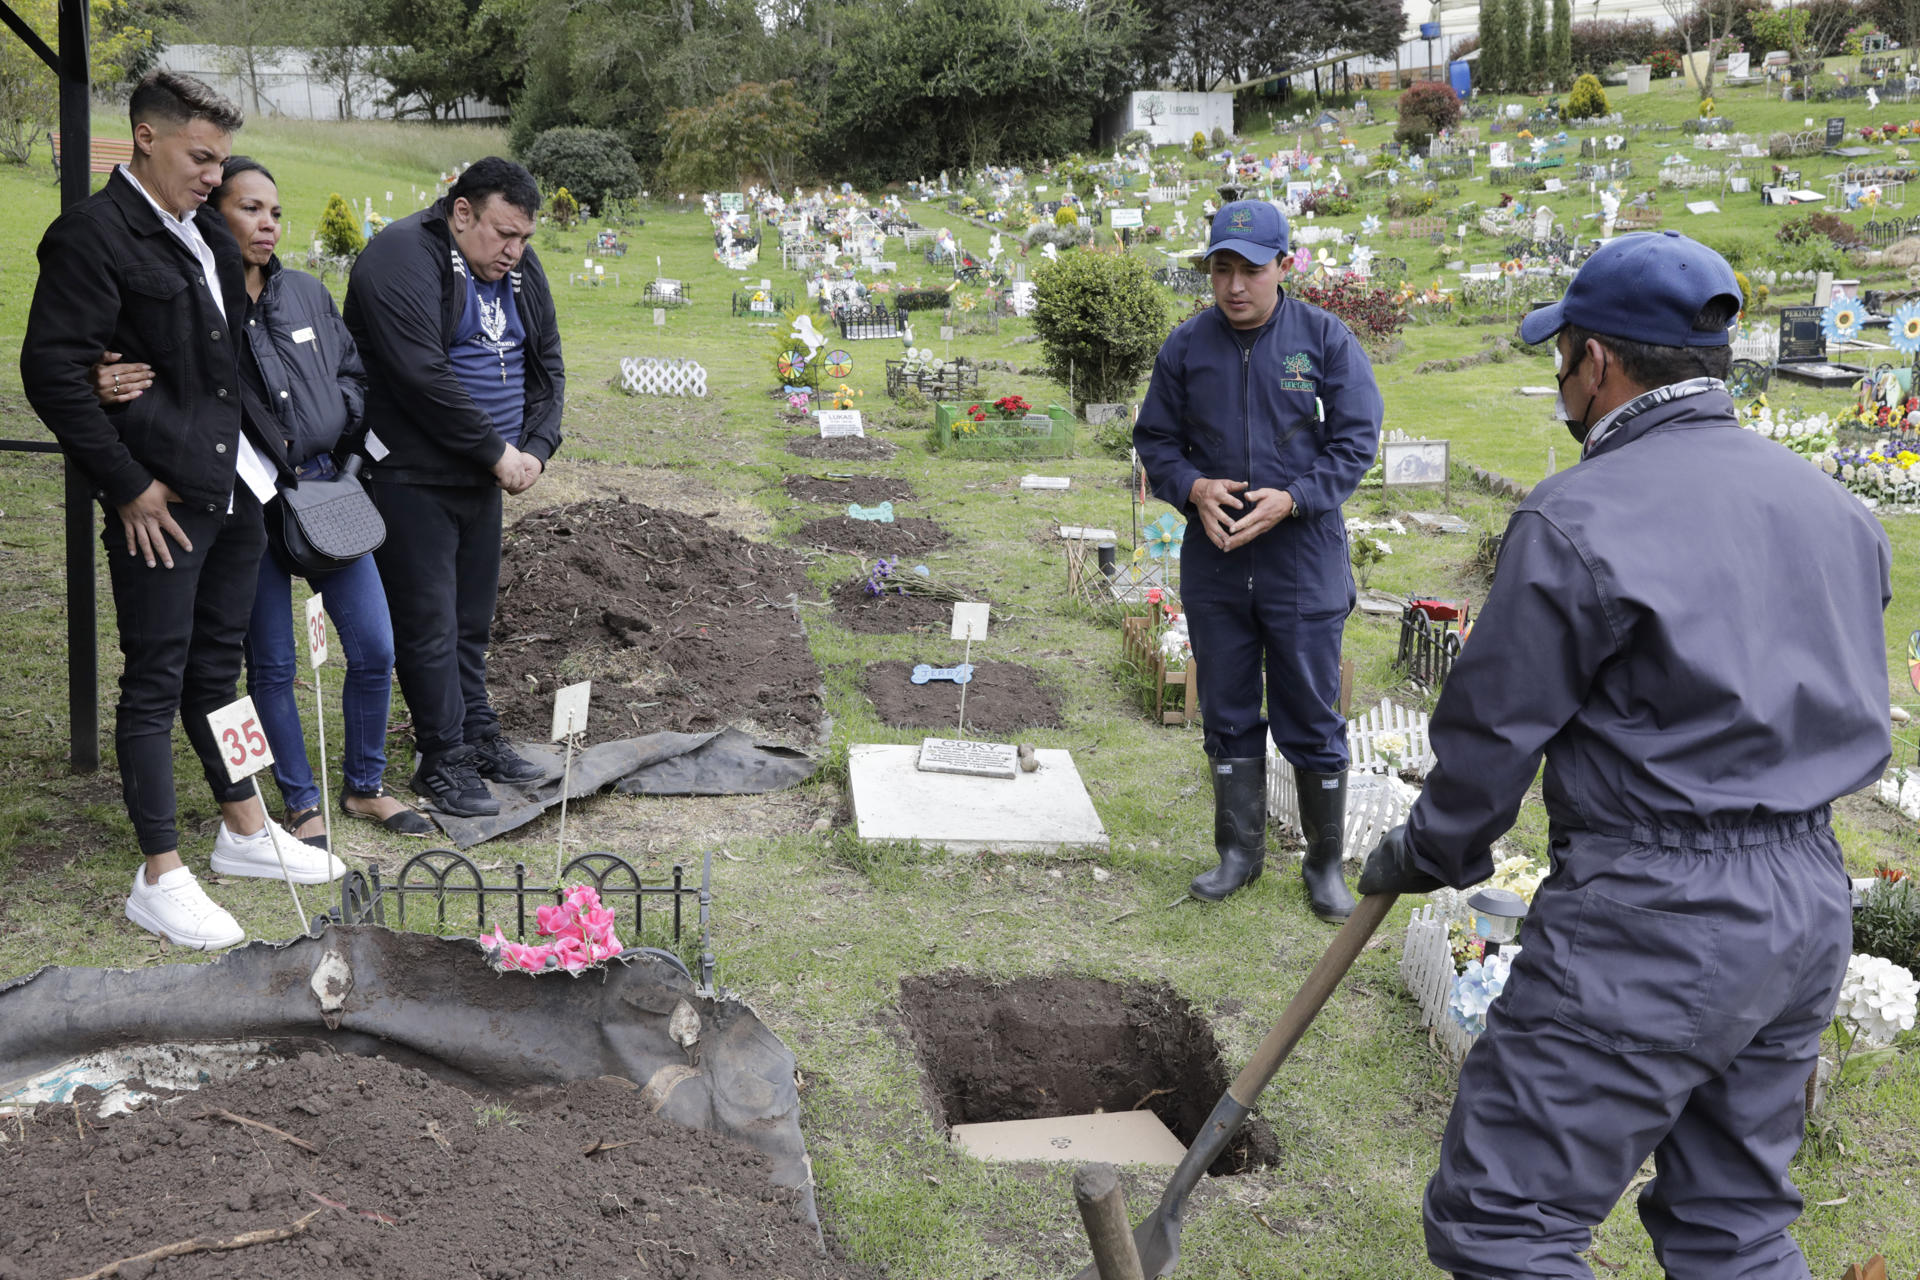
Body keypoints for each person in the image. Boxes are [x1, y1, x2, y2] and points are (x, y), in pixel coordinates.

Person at [1357, 231, 1891, 1279]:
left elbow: (1495, 729)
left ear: (1595, 361)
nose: (1560, 381)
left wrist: (1428, 847)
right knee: (1733, 1224)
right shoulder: (1842, 513)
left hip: (1660, 913)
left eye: (1561, 358)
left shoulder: (1578, 515)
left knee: (1504, 1222)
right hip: (1808, 896)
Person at [20, 72, 343, 951]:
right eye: (201, 157)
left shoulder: (200, 228)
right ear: (146, 138)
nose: (214, 176)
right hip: (159, 498)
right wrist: (125, 483)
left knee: (217, 671)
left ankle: (242, 830)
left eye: (222, 159)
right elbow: (51, 371)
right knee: (156, 680)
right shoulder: (91, 236)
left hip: (237, 485)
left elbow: (215, 347)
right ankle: (158, 874)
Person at [88, 157, 434, 849]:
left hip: (328, 492)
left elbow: (350, 371)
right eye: (249, 208)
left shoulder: (306, 292)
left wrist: (342, 432)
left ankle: (365, 786)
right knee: (270, 663)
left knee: (374, 647)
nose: (266, 223)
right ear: (212, 216)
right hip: (246, 503)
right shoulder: (199, 304)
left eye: (274, 211)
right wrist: (101, 377)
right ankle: (300, 804)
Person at [1134, 199, 1382, 919]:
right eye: (1221, 268)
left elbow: (1357, 440)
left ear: (1284, 265)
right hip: (1215, 558)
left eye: (1250, 268)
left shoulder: (1324, 340)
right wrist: (1191, 488)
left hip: (1302, 557)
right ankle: (1238, 854)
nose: (1234, 285)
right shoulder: (1186, 347)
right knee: (1228, 707)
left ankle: (1324, 864)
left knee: (1310, 707)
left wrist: (1297, 499)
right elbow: (1156, 440)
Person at [343, 157, 565, 818]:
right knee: (428, 624)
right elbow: (421, 375)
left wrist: (536, 449)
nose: (515, 251)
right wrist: (496, 452)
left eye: (524, 238)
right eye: (503, 234)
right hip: (410, 475)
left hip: (484, 474)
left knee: (470, 623)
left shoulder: (518, 268)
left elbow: (547, 363)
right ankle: (441, 757)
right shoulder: (400, 258)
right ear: (460, 211)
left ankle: (476, 734)